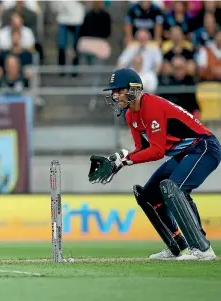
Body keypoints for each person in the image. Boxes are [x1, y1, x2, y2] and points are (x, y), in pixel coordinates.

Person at [89, 68, 219, 261]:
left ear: (133, 89)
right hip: (185, 153)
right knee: (148, 196)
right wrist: (119, 159)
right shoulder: (130, 116)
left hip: (204, 147)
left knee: (173, 188)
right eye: (113, 91)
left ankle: (201, 248)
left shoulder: (151, 105)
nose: (115, 95)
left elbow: (157, 151)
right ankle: (176, 246)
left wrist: (127, 160)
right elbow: (142, 148)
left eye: (118, 90)